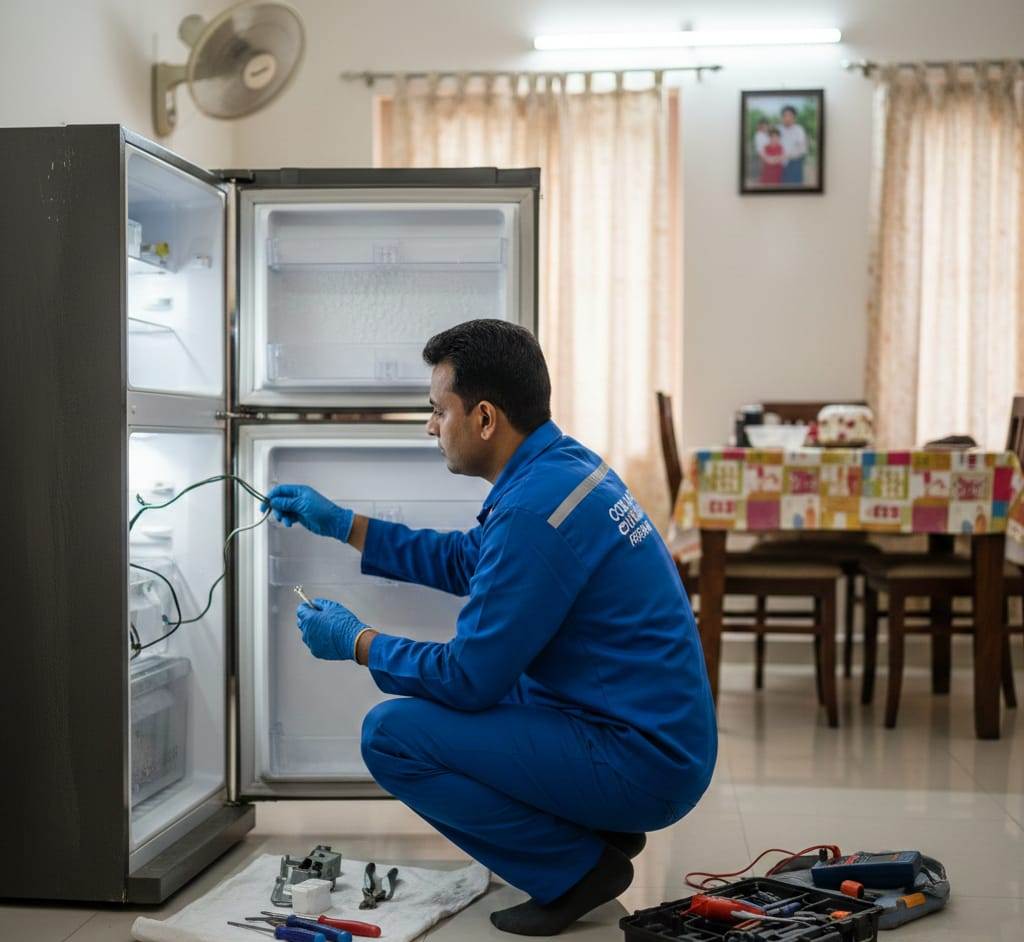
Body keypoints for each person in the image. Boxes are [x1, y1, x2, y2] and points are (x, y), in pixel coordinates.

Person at [262, 319, 717, 937]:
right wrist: (343, 523)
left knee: (393, 733)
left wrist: (357, 642)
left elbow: (467, 677)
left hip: (645, 763)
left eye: (436, 410)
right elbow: (467, 559)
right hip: (650, 733)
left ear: (483, 418)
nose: (431, 426)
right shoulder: (561, 465)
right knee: (508, 682)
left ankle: (574, 869)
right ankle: (597, 828)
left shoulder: (533, 510)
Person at [778, 105, 808, 185]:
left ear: (794, 117)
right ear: (781, 117)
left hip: (794, 164)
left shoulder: (799, 130)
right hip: (779, 164)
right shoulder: (777, 129)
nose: (787, 118)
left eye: (790, 116)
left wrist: (788, 155)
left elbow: (802, 149)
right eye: (785, 116)